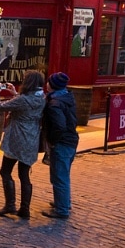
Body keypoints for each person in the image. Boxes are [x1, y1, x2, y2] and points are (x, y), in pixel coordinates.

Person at [0, 70, 46, 219]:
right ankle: (25, 209)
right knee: (24, 174)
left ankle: (10, 205)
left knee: (5, 171)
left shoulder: (23, 99)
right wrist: (15, 93)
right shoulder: (41, 98)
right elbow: (23, 104)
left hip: (17, 137)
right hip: (32, 139)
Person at [41, 72, 79, 219]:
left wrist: (52, 140)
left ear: (52, 85)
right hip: (71, 140)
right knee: (64, 174)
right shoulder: (66, 97)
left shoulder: (54, 104)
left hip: (62, 143)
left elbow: (59, 126)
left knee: (59, 176)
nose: (46, 84)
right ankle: (64, 202)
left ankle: (62, 209)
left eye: (49, 82)